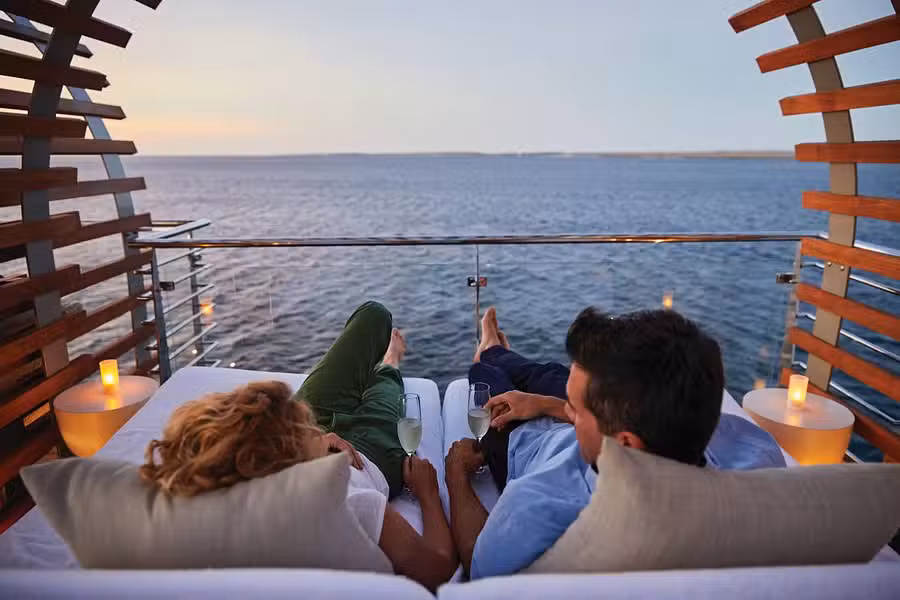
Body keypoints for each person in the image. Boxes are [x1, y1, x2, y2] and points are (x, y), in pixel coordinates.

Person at [445, 305, 781, 579]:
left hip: (523, 441)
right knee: (548, 375)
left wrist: (457, 475)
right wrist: (549, 404)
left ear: (625, 445)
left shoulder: (538, 504)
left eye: (575, 409)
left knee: (487, 376)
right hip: (615, 406)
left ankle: (489, 353)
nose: (567, 410)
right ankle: (497, 349)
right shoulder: (755, 451)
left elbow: (479, 566)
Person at [142, 301, 457, 591]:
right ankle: (390, 361)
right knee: (383, 386)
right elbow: (437, 567)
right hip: (369, 455)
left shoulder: (243, 461)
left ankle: (369, 374)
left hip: (280, 426)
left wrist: (311, 438)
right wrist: (428, 493)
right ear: (288, 452)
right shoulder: (344, 501)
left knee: (374, 316)